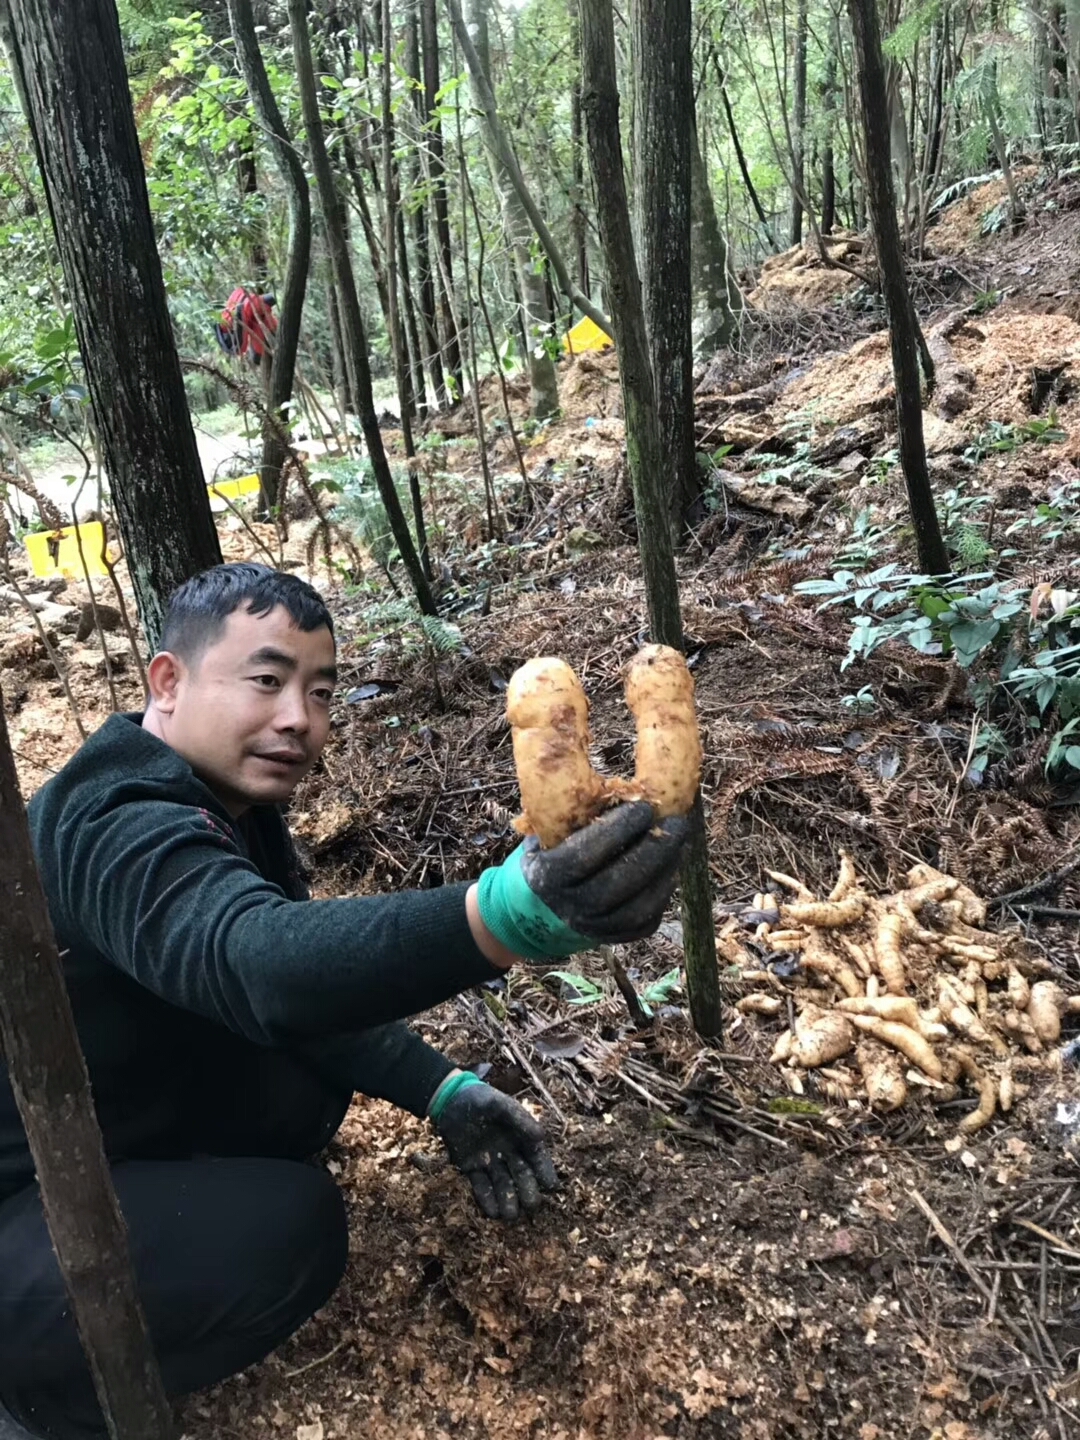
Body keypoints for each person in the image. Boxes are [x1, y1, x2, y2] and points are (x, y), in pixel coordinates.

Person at [0, 563, 688, 1440]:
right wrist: (502, 916)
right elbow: (256, 962)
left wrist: (443, 1091)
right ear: (166, 683)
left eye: (320, 692)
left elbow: (285, 982)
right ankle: (36, 1401)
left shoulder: (221, 799)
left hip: (95, 1115)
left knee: (297, 1094)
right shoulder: (113, 817)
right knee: (290, 1234)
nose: (299, 718)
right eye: (266, 680)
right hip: (22, 1197)